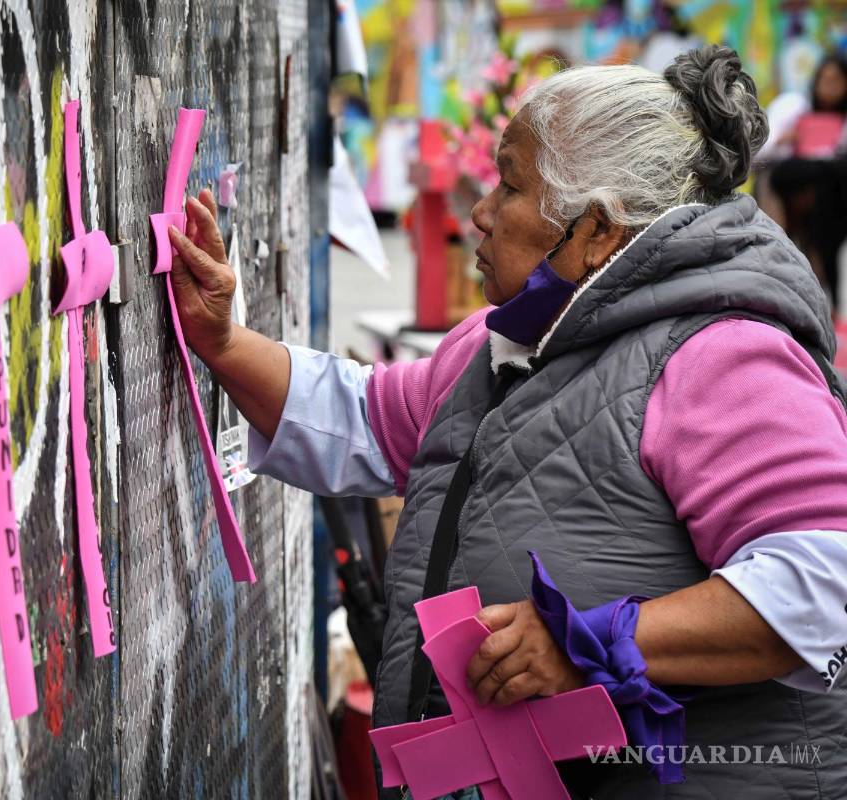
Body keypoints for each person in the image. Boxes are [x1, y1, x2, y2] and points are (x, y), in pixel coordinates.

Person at [168, 45, 847, 797]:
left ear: (597, 231)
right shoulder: (511, 340)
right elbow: (360, 419)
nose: (480, 214)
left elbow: (819, 588)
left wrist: (588, 643)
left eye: (510, 184)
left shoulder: (725, 356)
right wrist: (224, 343)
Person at [768, 53, 847, 307]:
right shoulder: (800, 114)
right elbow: (774, 162)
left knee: (830, 181)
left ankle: (828, 294)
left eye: (835, 79)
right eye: (823, 79)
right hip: (807, 181)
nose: (829, 85)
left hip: (836, 195)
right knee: (781, 174)